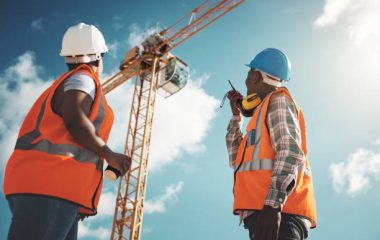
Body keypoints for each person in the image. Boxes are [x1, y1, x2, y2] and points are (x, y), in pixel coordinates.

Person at [3, 22, 131, 240]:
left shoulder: (69, 80)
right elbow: (75, 120)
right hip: (51, 186)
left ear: (67, 58)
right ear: (99, 57)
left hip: (50, 188)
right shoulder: (84, 78)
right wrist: (108, 154)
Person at [226, 48, 317, 240]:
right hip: (266, 213)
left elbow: (289, 151)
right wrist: (236, 117)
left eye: (249, 72)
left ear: (257, 76)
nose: (246, 80)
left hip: (279, 213)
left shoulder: (278, 101)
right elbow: (236, 161)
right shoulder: (259, 118)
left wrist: (272, 205)